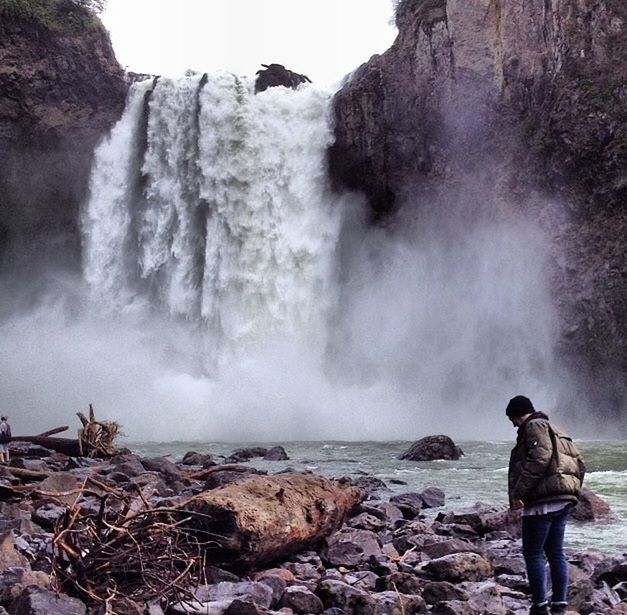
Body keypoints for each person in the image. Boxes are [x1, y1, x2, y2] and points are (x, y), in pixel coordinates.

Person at [506, 395, 586, 615]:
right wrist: (573, 492)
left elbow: (539, 459)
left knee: (533, 553)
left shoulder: (534, 426)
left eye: (512, 419)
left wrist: (519, 493)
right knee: (556, 552)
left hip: (543, 501)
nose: (513, 425)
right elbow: (580, 463)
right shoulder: (557, 428)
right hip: (563, 499)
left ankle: (540, 606)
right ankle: (560, 604)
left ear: (518, 414)